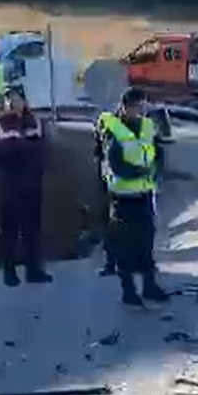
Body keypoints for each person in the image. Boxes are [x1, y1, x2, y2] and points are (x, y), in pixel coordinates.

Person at [100, 87, 168, 306]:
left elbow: (158, 152)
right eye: (135, 106)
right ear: (125, 107)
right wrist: (139, 172)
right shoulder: (115, 130)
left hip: (144, 194)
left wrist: (156, 171)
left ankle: (149, 286)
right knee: (125, 246)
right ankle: (128, 290)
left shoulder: (147, 127)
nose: (139, 110)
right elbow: (115, 164)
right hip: (123, 197)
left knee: (146, 242)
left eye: (142, 106)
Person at [0, 87, 52, 287]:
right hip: (9, 186)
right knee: (9, 231)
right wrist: (18, 147)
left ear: (25, 101)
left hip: (32, 184)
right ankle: (9, 271)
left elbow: (43, 150)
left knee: (32, 230)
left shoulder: (36, 122)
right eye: (10, 100)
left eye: (17, 99)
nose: (14, 104)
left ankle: (34, 270)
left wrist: (21, 147)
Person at [91, 112, 118, 277]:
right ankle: (111, 262)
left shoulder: (116, 137)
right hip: (109, 185)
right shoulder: (105, 140)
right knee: (110, 226)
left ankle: (113, 262)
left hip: (118, 186)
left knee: (114, 225)